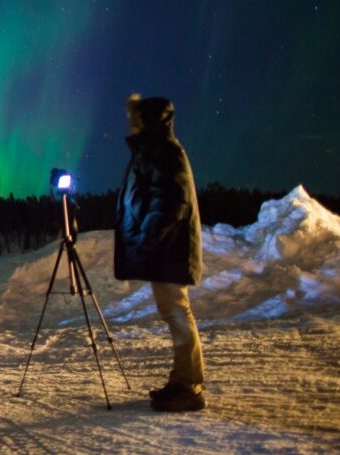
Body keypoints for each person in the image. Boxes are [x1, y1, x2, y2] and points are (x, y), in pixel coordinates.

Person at [115, 94, 206, 412]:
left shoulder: (165, 152)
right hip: (163, 251)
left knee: (178, 313)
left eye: (136, 117)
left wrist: (147, 238)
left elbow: (169, 203)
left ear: (149, 120)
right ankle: (181, 380)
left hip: (169, 251)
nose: (131, 123)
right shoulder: (154, 151)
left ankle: (190, 386)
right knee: (175, 313)